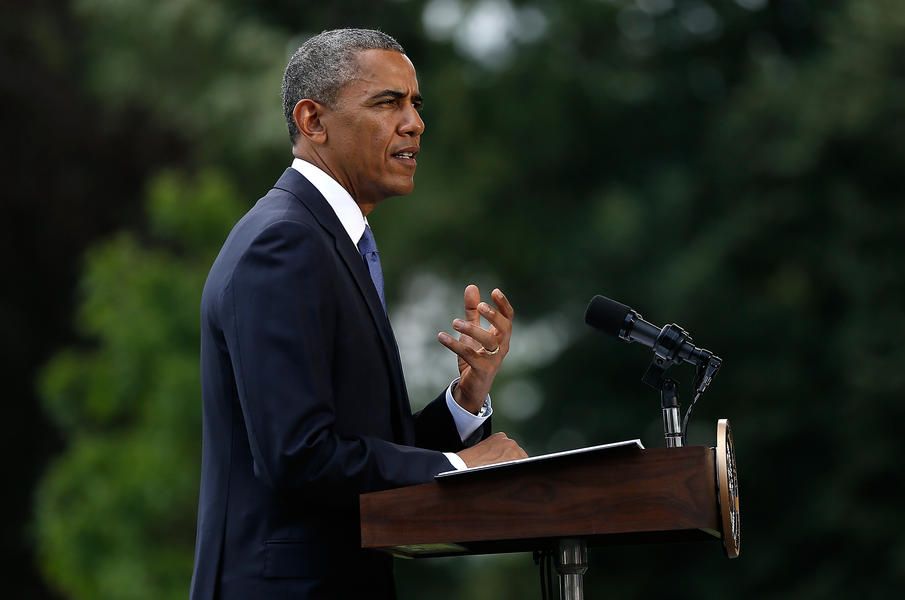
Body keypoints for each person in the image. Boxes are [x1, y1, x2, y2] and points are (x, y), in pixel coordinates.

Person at [189, 28, 527, 599]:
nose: (414, 123)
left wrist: (464, 405)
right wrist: (463, 466)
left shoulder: (330, 241)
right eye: (387, 102)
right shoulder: (285, 244)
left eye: (416, 104)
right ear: (313, 120)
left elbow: (365, 448)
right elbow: (299, 456)